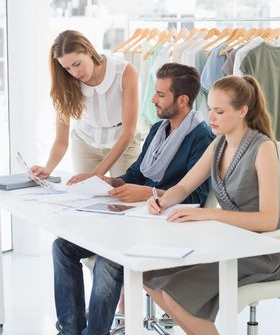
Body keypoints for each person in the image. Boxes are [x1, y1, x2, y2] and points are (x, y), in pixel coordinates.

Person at [52, 63, 215, 335]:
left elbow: (197, 197)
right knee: (62, 246)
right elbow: (137, 173)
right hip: (134, 218)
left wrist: (149, 194)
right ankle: (71, 330)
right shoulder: (158, 130)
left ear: (182, 100)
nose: (153, 99)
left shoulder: (202, 138)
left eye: (161, 94)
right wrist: (111, 181)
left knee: (108, 259)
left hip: (166, 226)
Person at [145, 75, 280, 335]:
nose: (212, 118)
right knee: (150, 276)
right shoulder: (219, 144)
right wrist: (161, 200)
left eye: (220, 111)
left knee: (175, 293)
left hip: (262, 251)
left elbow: (268, 220)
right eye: (210, 110)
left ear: (243, 111)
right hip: (227, 243)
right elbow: (184, 186)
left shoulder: (263, 148)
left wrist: (211, 215)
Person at [31, 30, 140, 183]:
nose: (74, 72)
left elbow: (129, 131)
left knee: (125, 193)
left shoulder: (125, 72)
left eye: (77, 64)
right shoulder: (66, 82)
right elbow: (61, 140)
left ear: (88, 51)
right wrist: (47, 169)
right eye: (67, 68)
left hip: (123, 142)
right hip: (86, 143)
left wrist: (95, 175)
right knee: (87, 197)